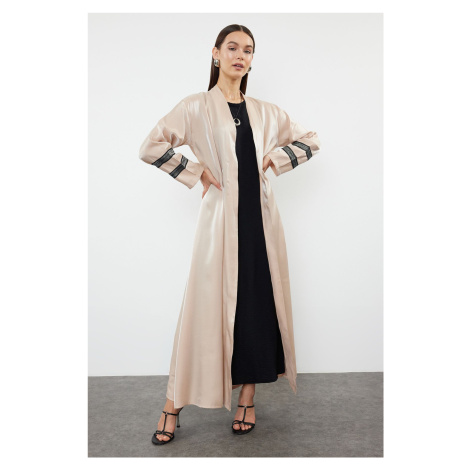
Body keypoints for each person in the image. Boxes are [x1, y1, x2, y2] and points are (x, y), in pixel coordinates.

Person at [139, 24, 321, 445]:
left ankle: (248, 398)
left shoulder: (266, 111)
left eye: (248, 50)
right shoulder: (195, 106)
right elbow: (150, 146)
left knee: (257, 308)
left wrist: (276, 158)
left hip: (261, 223)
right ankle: (172, 403)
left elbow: (311, 140)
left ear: (252, 60)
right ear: (216, 53)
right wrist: (195, 171)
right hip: (220, 222)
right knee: (203, 311)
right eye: (233, 48)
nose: (241, 55)